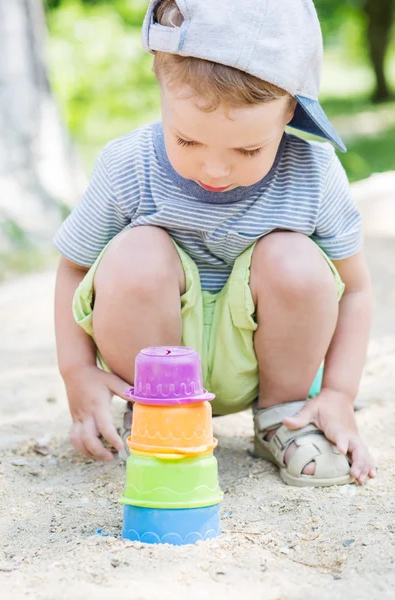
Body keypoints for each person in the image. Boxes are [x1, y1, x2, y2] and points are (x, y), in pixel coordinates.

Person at [54, 0, 376, 487]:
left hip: (267, 360)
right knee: (137, 251)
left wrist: (338, 393)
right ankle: (159, 419)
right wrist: (76, 371)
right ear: (160, 87)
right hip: (153, 356)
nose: (216, 170)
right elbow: (73, 268)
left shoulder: (312, 174)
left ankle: (284, 419)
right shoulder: (129, 165)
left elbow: (355, 290)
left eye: (248, 149)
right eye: (186, 141)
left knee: (293, 259)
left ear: (290, 108)